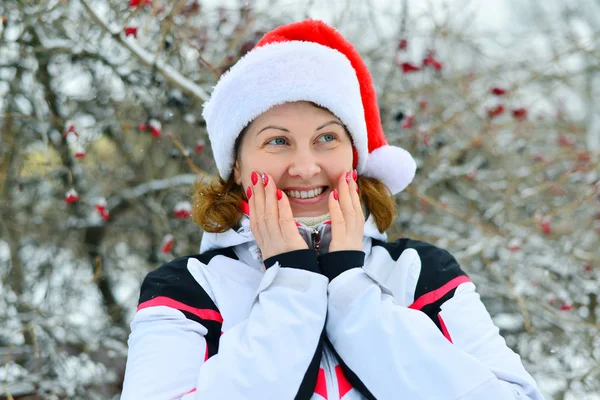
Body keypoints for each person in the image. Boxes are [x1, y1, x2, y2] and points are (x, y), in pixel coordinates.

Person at [121, 19, 543, 400]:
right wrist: (291, 288)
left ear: (355, 154)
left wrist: (352, 293)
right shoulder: (187, 289)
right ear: (236, 163)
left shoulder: (420, 272)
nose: (306, 168)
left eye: (326, 138)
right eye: (277, 141)